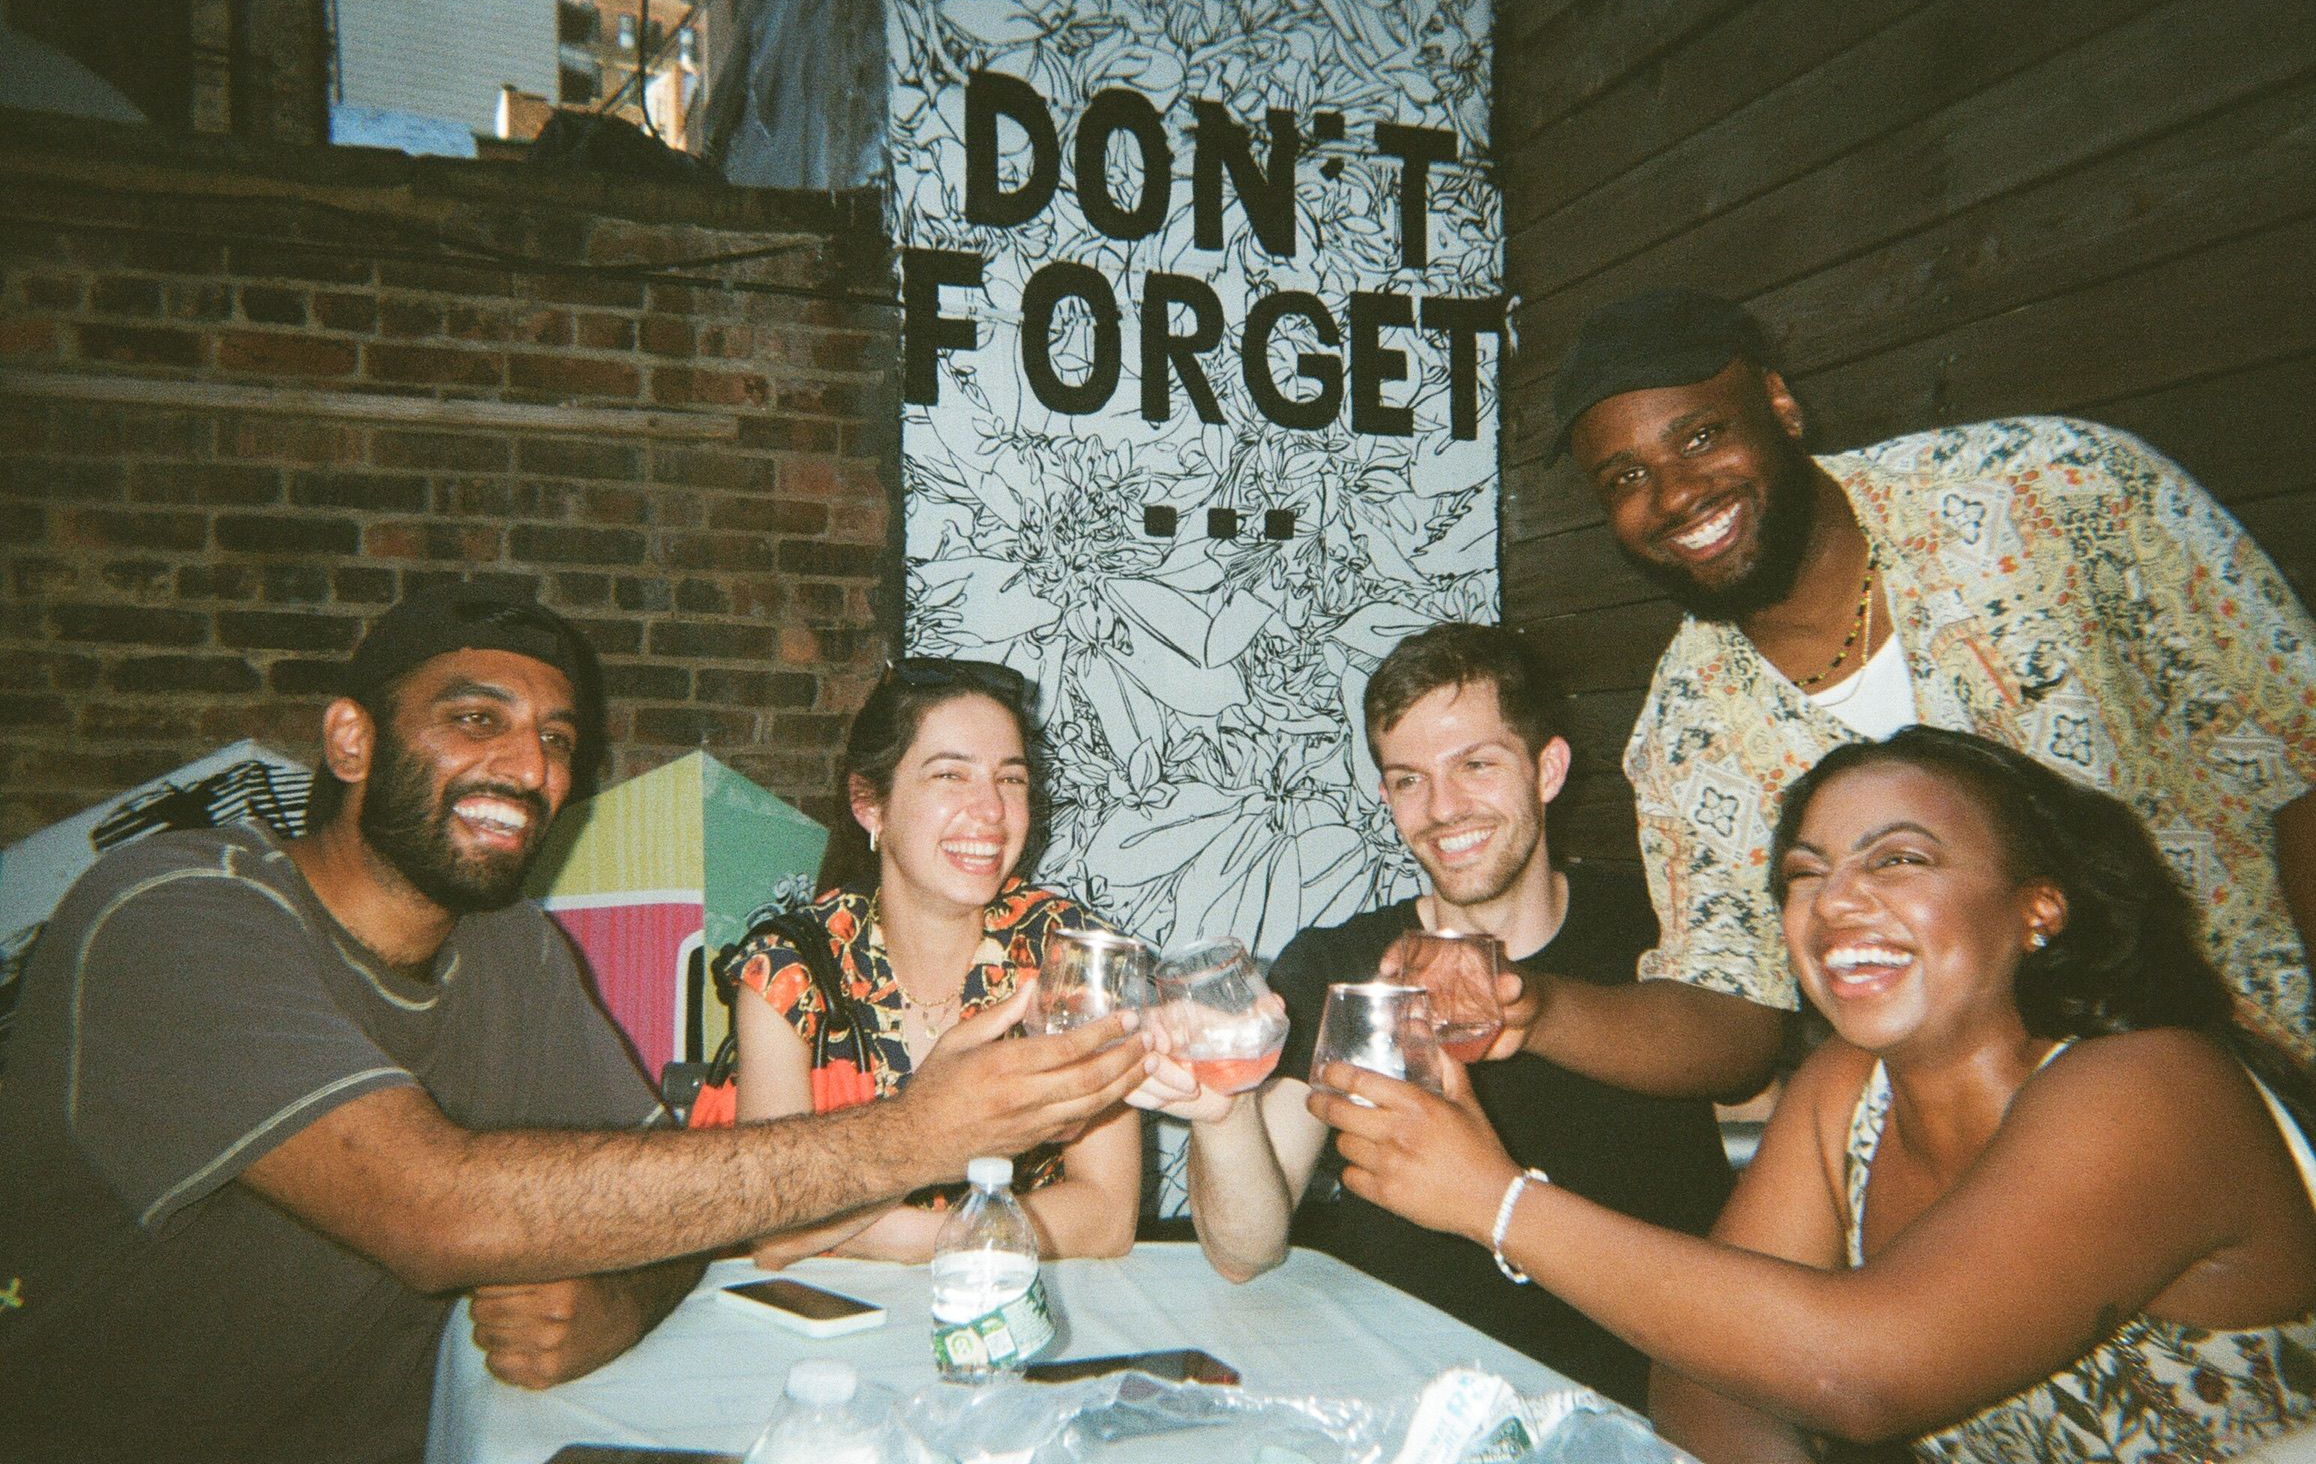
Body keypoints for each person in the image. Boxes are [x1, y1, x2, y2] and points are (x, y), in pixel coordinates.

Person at [0, 585, 1152, 1464]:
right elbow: (434, 1209)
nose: (526, 765)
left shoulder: (506, 947)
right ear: (350, 740)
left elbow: (680, 1189)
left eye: (556, 740)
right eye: (474, 717)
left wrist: (617, 1300)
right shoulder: (174, 910)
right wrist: (916, 1134)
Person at [1316, 725, 2316, 1463]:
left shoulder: (2155, 1085)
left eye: (1900, 859)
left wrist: (1495, 1202)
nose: (1836, 901)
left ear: (2038, 905)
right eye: (1807, 873)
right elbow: (1704, 1370)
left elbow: (1863, 1374)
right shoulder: (1848, 1086)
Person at [1551, 288, 2316, 1093]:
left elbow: (2299, 749)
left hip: (2256, 1076)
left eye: (1702, 436)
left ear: (1778, 402)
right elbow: (1732, 1012)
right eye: (1626, 477)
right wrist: (1530, 1007)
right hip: (1977, 1151)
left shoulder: (2051, 495)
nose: (1674, 495)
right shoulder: (1689, 728)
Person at [1137, 624, 1735, 1408]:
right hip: (1409, 1396)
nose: (1444, 809)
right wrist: (1220, 1115)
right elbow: (1245, 1251)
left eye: (1476, 765)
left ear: (1546, 769)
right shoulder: (1338, 963)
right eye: (1409, 780)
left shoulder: (1659, 938)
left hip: (1651, 1399)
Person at [730, 656, 1141, 1263]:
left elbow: (1107, 1216)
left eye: (1011, 779)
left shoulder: (1067, 949)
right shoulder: (790, 968)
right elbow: (774, 1226)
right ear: (870, 805)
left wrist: (912, 1237)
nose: (992, 810)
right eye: (951, 776)